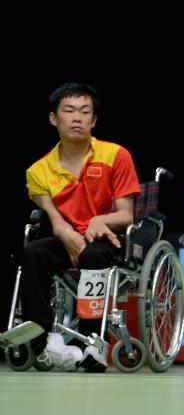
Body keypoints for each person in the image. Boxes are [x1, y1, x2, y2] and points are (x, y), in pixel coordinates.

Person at [21, 82, 141, 372]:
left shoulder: (116, 155)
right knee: (33, 252)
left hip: (106, 241)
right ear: (54, 118)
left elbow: (126, 215)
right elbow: (52, 215)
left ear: (94, 120)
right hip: (68, 240)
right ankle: (42, 340)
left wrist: (99, 220)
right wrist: (65, 233)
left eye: (85, 112)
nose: (77, 118)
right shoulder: (38, 170)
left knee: (93, 256)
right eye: (69, 111)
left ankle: (93, 342)